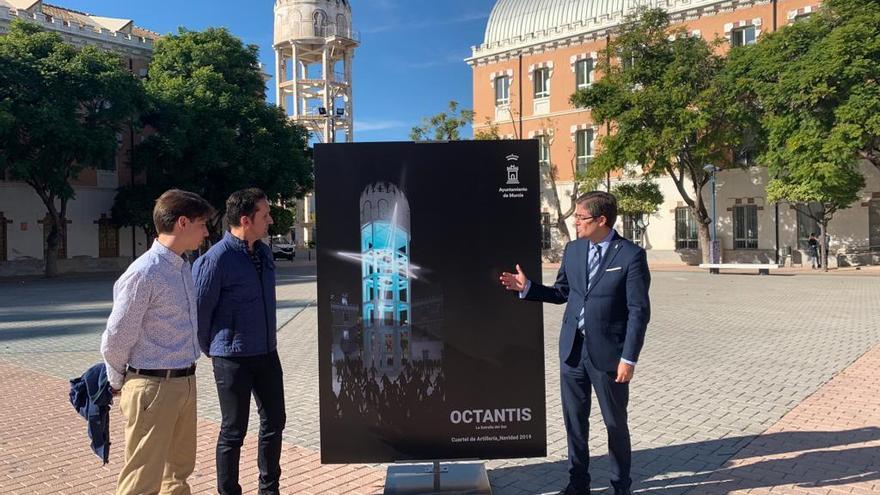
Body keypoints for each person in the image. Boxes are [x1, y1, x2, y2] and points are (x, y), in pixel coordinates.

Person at [500, 191, 650, 495]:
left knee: (615, 424)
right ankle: (578, 482)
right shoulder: (573, 250)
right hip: (572, 352)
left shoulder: (630, 255)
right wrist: (527, 288)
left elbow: (638, 311)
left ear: (601, 220)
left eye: (581, 217)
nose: (576, 222)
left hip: (609, 357)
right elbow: (562, 293)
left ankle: (621, 486)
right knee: (574, 423)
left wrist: (629, 358)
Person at [101, 189, 214, 495]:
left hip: (184, 382)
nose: (206, 232)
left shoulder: (183, 266)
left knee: (177, 475)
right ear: (181, 223)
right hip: (152, 387)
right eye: (201, 224)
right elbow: (116, 336)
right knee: (142, 480)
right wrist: (117, 380)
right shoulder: (145, 272)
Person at [193, 188, 286, 495]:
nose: (270, 219)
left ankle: (269, 489)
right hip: (232, 359)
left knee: (275, 421)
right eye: (265, 214)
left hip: (267, 353)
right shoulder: (215, 260)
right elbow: (199, 313)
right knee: (234, 430)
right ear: (246, 220)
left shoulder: (263, 252)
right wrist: (216, 350)